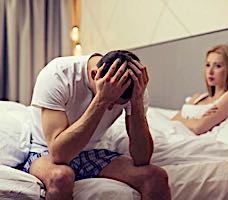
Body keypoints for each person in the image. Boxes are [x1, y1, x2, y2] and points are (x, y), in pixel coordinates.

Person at [21, 50, 171, 200]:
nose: (111, 108)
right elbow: (60, 155)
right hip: (45, 152)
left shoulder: (134, 86)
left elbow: (142, 158)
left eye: (116, 103)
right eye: (110, 102)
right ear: (94, 75)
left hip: (90, 152)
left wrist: (136, 102)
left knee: (156, 177)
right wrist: (101, 100)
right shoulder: (58, 74)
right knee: (61, 177)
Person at [172, 44, 228, 135]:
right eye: (208, 65)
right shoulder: (197, 97)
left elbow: (198, 128)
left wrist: (185, 121)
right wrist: (196, 120)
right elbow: (172, 120)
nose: (210, 71)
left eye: (218, 66)